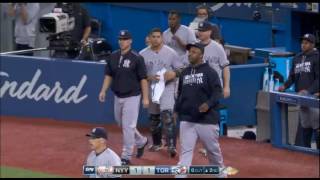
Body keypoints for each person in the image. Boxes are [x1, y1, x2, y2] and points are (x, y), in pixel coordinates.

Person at [175, 43, 226, 178]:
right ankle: (181, 175)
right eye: (190, 52)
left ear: (201, 54)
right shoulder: (184, 72)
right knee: (185, 152)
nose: (190, 54)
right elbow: (180, 93)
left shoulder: (210, 72)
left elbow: (217, 92)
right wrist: (176, 110)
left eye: (194, 52)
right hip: (187, 119)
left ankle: (220, 174)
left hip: (206, 119)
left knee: (213, 151)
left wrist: (208, 104)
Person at [98, 30, 149, 165]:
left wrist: (145, 98)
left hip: (132, 96)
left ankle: (126, 156)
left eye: (125, 39)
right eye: (120, 39)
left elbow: (143, 79)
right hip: (118, 95)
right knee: (121, 122)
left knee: (128, 126)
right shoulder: (113, 56)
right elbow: (109, 75)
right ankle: (141, 141)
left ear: (130, 41)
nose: (122, 41)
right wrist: (103, 90)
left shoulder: (137, 58)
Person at [139, 28, 183, 157]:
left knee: (167, 114)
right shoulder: (142, 54)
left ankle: (172, 146)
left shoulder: (171, 53)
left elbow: (181, 68)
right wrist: (149, 77)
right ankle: (157, 143)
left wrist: (174, 73)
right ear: (149, 38)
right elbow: (139, 75)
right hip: (151, 87)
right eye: (153, 36)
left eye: (158, 36)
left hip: (167, 86)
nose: (156, 39)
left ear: (162, 38)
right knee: (154, 118)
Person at [278, 33, 319, 149]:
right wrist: (285, 86)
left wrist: (309, 91)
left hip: (314, 98)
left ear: (312, 44)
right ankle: (306, 151)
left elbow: (318, 79)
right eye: (302, 43)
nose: (303, 45)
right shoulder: (297, 58)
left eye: (306, 43)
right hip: (301, 98)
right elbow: (292, 76)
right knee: (305, 125)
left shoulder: (317, 57)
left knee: (316, 124)